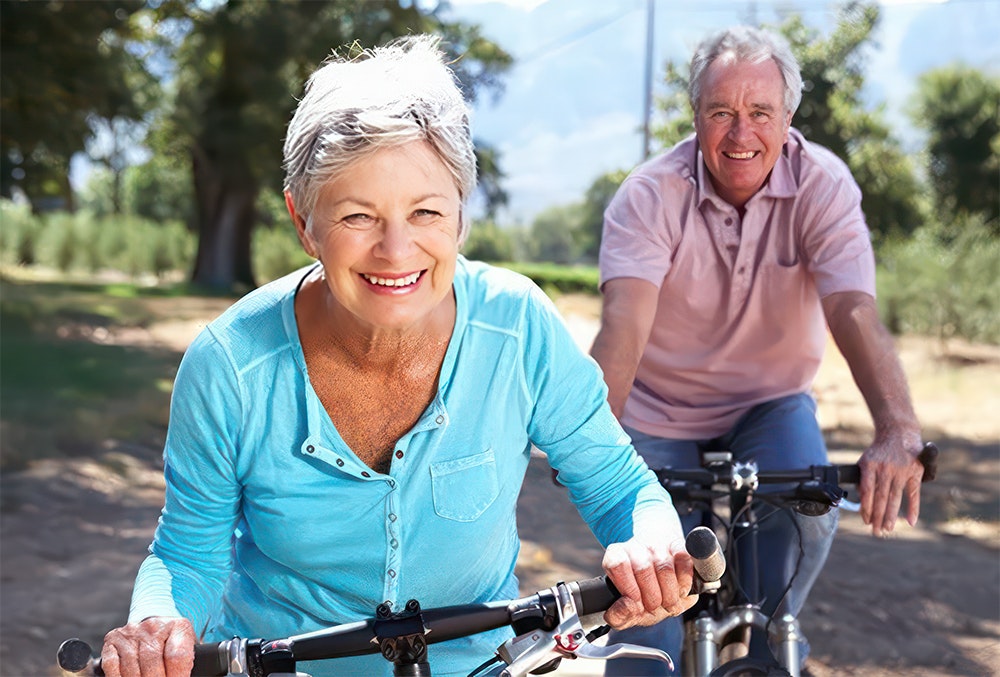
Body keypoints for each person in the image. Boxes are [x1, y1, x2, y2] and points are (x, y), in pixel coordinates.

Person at [100, 35, 698, 677]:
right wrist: (155, 625)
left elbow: (617, 482)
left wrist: (648, 538)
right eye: (359, 216)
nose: (396, 249)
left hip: (480, 665)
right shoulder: (229, 367)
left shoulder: (518, 326)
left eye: (425, 212)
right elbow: (189, 553)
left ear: (461, 215)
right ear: (304, 223)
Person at [590, 25, 929, 676]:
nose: (740, 134)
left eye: (759, 113)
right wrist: (594, 449)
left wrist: (897, 427)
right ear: (695, 116)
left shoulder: (823, 185)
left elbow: (852, 309)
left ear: (788, 118)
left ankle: (770, 645)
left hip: (770, 404)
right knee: (648, 615)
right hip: (658, 411)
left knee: (806, 521)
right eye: (721, 113)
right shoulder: (649, 194)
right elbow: (623, 326)